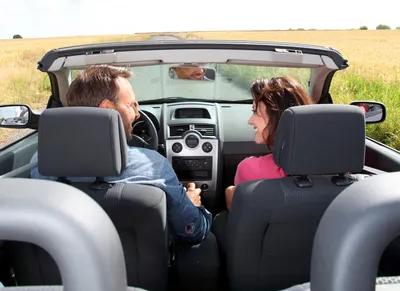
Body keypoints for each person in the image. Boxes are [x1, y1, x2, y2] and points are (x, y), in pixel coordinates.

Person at [30, 65, 212, 243]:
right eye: (131, 105)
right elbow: (192, 230)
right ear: (107, 109)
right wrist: (192, 204)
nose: (137, 114)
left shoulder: (42, 162)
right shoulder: (153, 167)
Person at [224, 76, 313, 210]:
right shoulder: (336, 169)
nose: (250, 120)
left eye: (256, 112)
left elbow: (241, 213)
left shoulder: (250, 169)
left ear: (277, 118)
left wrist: (229, 192)